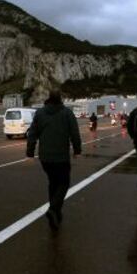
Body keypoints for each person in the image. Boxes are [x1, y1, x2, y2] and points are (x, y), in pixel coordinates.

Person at [26, 89, 82, 230]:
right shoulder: (67, 113)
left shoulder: (40, 113)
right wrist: (77, 150)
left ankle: (56, 213)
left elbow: (32, 133)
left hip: (45, 157)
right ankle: (53, 209)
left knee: (53, 182)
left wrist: (30, 153)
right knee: (63, 183)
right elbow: (75, 133)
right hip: (61, 157)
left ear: (49, 98)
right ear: (60, 99)